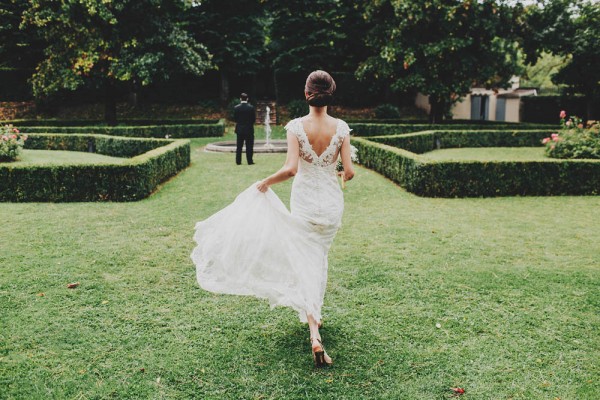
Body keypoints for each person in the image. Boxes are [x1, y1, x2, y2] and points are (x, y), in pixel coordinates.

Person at [191, 70, 355, 367]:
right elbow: (350, 172)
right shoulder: (341, 128)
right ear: (332, 94)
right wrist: (339, 169)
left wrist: (265, 182)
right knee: (317, 257)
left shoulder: (295, 127)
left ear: (307, 94)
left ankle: (314, 329)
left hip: (304, 203)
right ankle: (314, 323)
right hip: (331, 206)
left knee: (306, 258)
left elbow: (291, 169)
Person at [233, 93, 256, 165]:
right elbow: (253, 119)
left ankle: (238, 161)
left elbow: (235, 119)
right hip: (249, 129)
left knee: (239, 146)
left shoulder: (236, 108)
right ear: (247, 99)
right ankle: (250, 161)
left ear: (240, 99)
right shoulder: (251, 108)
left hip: (239, 129)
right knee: (249, 146)